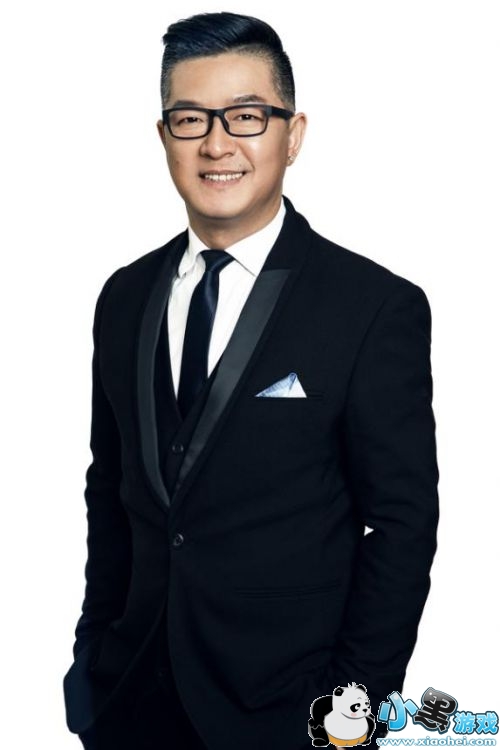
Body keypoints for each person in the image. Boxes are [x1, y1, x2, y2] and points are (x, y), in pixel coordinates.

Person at [63, 11, 439, 750]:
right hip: (131, 702)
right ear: (164, 135)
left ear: (292, 135)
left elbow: (403, 525)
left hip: (287, 710)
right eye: (190, 119)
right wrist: (90, 668)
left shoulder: (372, 306)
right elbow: (109, 492)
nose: (217, 143)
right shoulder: (123, 296)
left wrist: (350, 713)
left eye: (246, 116)